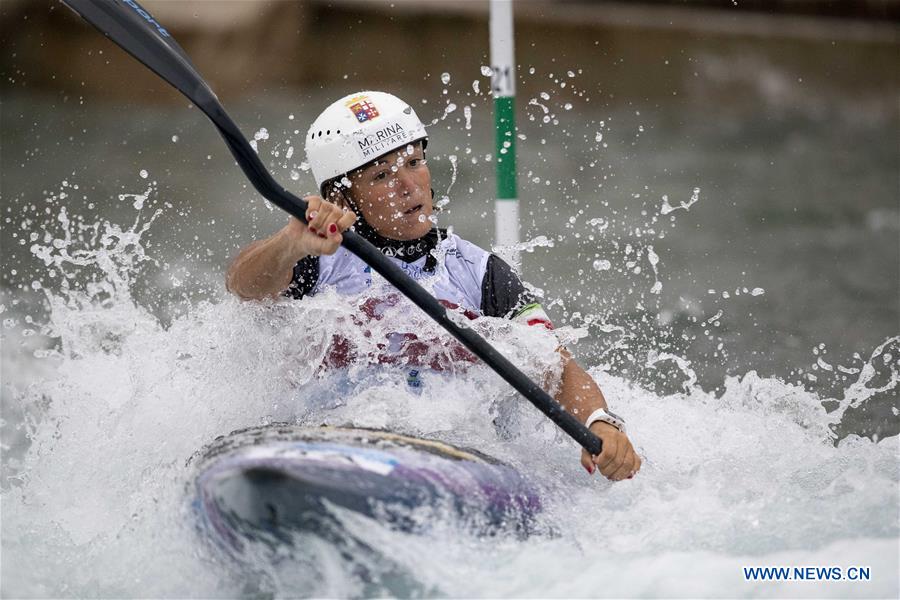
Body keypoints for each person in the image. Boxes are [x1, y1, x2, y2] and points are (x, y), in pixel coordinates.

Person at [227, 91, 641, 481]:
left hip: (454, 456)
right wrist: (289, 244)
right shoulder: (316, 257)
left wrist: (599, 421)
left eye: (413, 162)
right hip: (328, 442)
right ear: (343, 197)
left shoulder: (480, 272)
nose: (408, 186)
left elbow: (555, 365)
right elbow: (243, 286)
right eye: (382, 175)